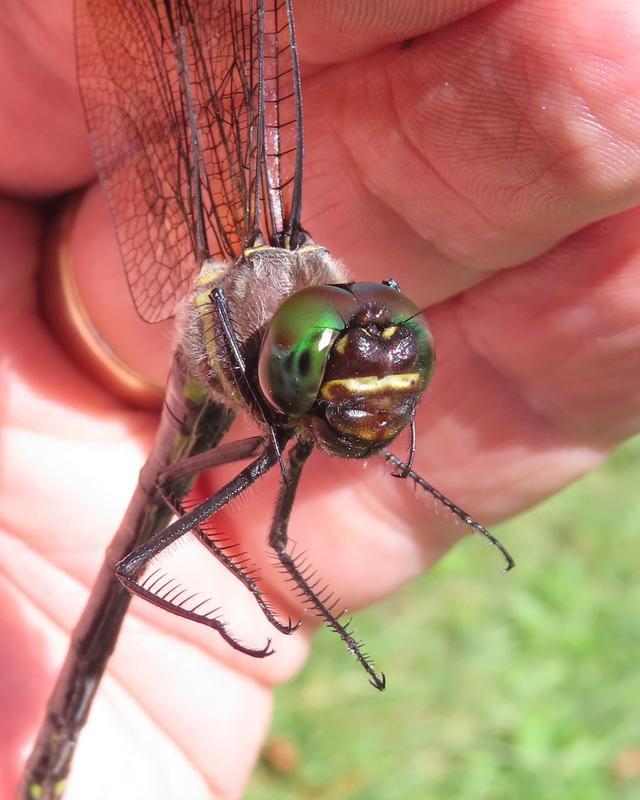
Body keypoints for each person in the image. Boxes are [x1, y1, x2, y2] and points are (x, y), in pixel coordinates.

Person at [2, 1, 640, 798]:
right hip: (193, 406)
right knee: (141, 556)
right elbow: (161, 561)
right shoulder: (262, 353)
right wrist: (231, 618)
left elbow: (281, 533)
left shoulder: (303, 365)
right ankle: (53, 759)